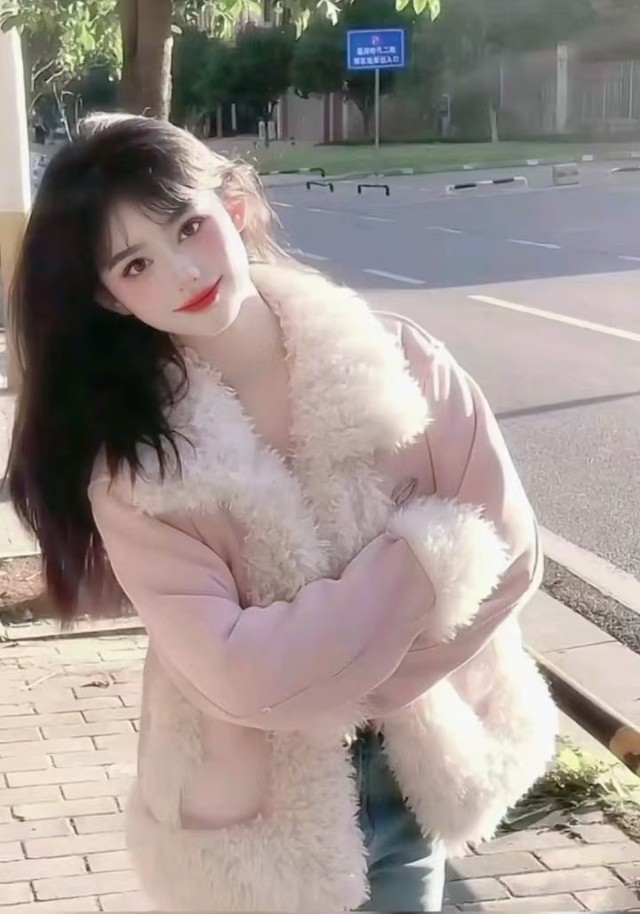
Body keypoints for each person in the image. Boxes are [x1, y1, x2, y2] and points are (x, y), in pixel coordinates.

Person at [6, 113, 557, 913]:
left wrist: (325, 683)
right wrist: (430, 560)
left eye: (189, 226)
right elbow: (239, 677)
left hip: (420, 770)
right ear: (110, 298)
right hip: (256, 822)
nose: (183, 270)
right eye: (136, 264)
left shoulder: (400, 362)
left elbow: (510, 555)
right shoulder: (137, 477)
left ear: (232, 207)